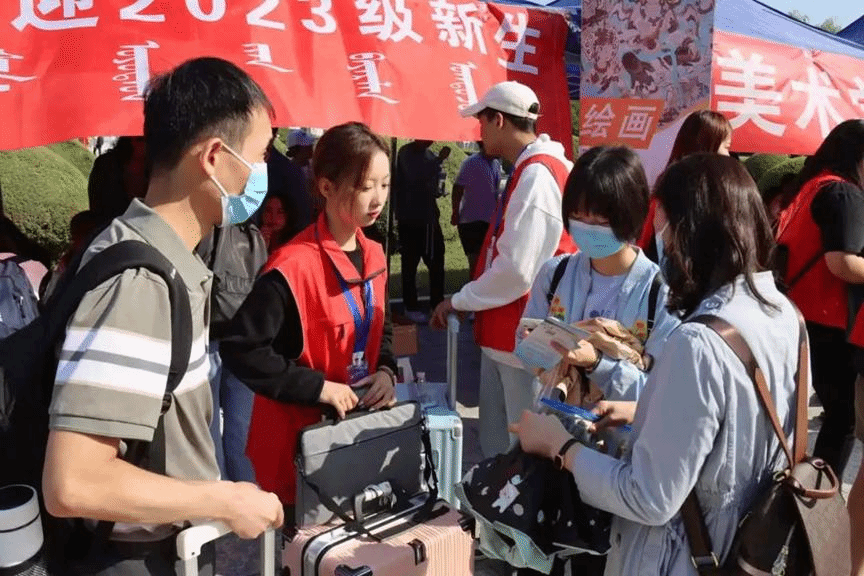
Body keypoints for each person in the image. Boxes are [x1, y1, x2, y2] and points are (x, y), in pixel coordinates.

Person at [41, 57, 284, 575]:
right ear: (214, 157)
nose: (265, 173)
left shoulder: (150, 254)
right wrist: (226, 499)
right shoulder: (142, 283)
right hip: (139, 560)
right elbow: (75, 481)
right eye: (260, 155)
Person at [511, 154, 803, 575]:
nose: (661, 242)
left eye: (664, 229)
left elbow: (649, 497)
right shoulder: (786, 315)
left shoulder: (697, 340)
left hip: (679, 551)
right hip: (741, 542)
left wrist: (561, 446)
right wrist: (641, 411)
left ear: (691, 233)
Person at [220, 122, 398, 519]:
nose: (378, 198)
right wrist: (318, 388)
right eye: (365, 186)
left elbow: (380, 327)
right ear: (326, 187)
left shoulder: (375, 256)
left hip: (356, 438)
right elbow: (241, 348)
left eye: (385, 185)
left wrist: (387, 371)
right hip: (298, 450)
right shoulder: (292, 266)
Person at [431, 81, 576, 458]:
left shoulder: (537, 175)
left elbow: (517, 270)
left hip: (521, 337)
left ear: (498, 120)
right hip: (513, 334)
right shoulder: (535, 168)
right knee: (506, 446)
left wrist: (461, 300)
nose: (479, 132)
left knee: (519, 450)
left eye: (481, 122)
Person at [521, 146, 680, 403]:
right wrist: (535, 349)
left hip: (622, 428)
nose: (587, 228)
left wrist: (597, 362)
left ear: (631, 215)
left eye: (600, 221)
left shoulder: (661, 295)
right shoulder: (554, 275)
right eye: (577, 217)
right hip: (553, 421)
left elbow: (659, 393)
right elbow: (528, 358)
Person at [776, 119, 864, 476]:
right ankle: (820, 494)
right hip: (828, 321)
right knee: (842, 420)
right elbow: (841, 262)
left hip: (798, 314)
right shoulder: (844, 193)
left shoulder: (812, 185)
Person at [636, 110, 733, 262]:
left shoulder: (666, 186)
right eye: (726, 147)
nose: (728, 155)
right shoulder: (670, 193)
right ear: (706, 147)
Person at [393, 140, 450, 323]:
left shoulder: (429, 155)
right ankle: (411, 306)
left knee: (437, 261)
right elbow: (415, 177)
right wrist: (438, 161)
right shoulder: (405, 153)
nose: (430, 141)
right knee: (410, 263)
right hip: (410, 219)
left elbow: (430, 183)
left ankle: (436, 303)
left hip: (429, 219)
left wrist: (437, 188)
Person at [451, 142, 502, 275]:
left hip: (489, 219)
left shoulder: (496, 164)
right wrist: (455, 212)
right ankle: (473, 286)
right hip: (471, 220)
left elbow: (495, 190)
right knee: (475, 263)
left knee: (488, 262)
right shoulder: (470, 163)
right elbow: (458, 188)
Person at [87, 136, 149, 229]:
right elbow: (96, 207)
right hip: (107, 229)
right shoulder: (106, 164)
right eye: (140, 138)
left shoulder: (159, 169)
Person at [266, 127, 313, 240]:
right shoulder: (290, 171)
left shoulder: (291, 172)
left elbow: (303, 217)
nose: (310, 150)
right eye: (307, 147)